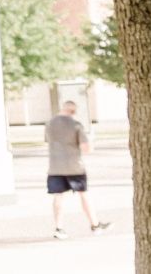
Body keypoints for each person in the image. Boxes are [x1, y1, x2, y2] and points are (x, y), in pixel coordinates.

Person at [45, 100, 110, 239]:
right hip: (75, 166)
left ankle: (58, 227)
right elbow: (86, 148)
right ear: (73, 111)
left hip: (55, 166)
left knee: (58, 196)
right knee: (83, 194)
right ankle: (94, 224)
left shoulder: (49, 124)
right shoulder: (76, 125)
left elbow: (48, 141)